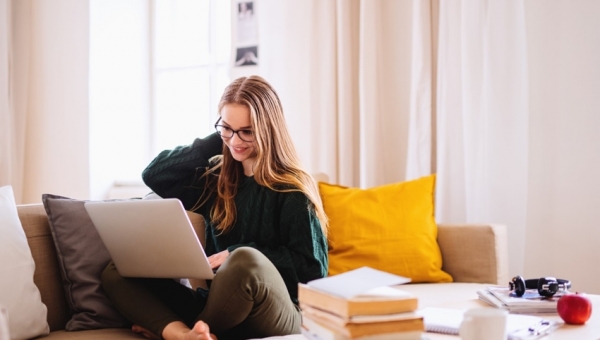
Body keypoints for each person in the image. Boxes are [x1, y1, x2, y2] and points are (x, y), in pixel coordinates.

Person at [101, 75, 328, 340]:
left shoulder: (293, 189)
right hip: (219, 306)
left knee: (245, 260)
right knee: (119, 268)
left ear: (268, 129)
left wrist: (234, 254)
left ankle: (183, 331)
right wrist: (217, 139)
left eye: (247, 131)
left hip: (280, 311)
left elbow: (314, 270)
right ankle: (186, 334)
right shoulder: (215, 180)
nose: (235, 141)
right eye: (227, 128)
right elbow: (155, 175)